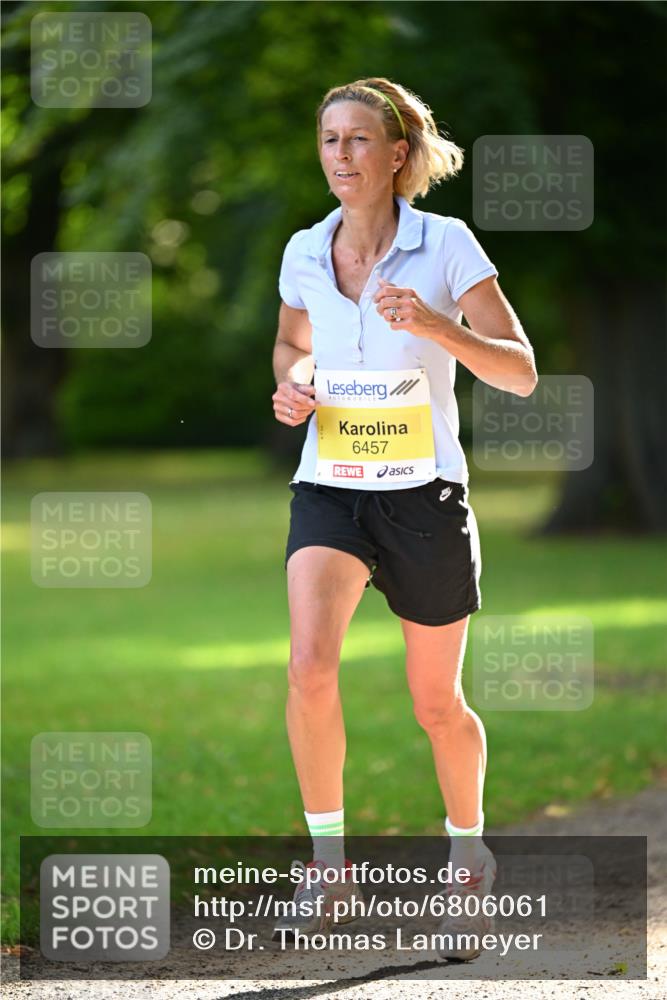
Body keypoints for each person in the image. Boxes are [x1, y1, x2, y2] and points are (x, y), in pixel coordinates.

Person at [270, 77, 537, 960]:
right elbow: (289, 342)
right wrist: (293, 385)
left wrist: (436, 326)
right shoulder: (305, 250)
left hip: (424, 494)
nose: (340, 155)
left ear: (396, 155)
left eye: (357, 140)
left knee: (436, 704)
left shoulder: (446, 244)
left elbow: (520, 371)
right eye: (328, 139)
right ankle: (328, 864)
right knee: (309, 665)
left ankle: (468, 855)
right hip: (331, 487)